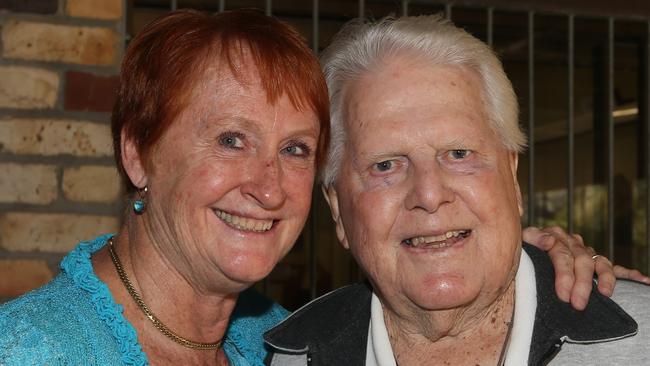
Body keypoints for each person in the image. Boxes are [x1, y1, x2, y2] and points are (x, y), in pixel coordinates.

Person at [0, 9, 640, 366]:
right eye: (231, 140)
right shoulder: (31, 350)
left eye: (295, 149)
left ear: (512, 176)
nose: (268, 185)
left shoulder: (274, 343)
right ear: (137, 154)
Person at [264, 14, 650, 365]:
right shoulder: (290, 357)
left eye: (459, 153)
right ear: (337, 210)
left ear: (512, 176)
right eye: (385, 165)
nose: (429, 195)